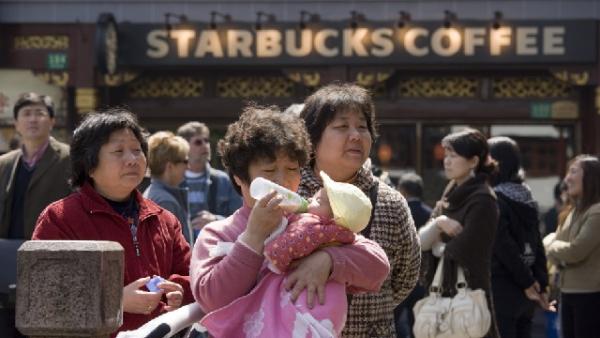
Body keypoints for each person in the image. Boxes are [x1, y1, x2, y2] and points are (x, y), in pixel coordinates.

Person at [190, 105, 390, 337]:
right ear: (239, 177)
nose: (282, 181)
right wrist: (253, 237)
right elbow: (212, 299)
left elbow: (378, 267)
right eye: (269, 170)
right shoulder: (218, 233)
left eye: (292, 169)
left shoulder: (311, 220)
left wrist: (328, 260)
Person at [32, 109, 193, 336]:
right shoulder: (60, 218)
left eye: (137, 150)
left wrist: (177, 291)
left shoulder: (164, 219)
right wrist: (114, 301)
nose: (132, 159)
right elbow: (44, 296)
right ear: (89, 166)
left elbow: (191, 276)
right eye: (118, 151)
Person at [298, 83, 421, 337]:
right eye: (342, 126)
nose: (355, 135)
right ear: (311, 138)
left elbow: (405, 277)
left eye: (362, 127)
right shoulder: (289, 195)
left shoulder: (390, 201)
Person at [418, 128, 500, 338]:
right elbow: (421, 242)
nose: (447, 161)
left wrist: (438, 244)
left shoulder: (483, 199)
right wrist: (439, 223)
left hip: (469, 292)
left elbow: (462, 249)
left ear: (473, 161)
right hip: (442, 290)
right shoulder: (450, 191)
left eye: (454, 156)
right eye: (446, 155)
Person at [487, 136, 552, 338]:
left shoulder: (494, 198)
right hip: (527, 288)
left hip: (503, 285)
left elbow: (503, 245)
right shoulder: (525, 195)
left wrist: (526, 282)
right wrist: (539, 281)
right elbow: (537, 241)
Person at [543, 155, 600, 338]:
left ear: (591, 177)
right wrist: (556, 247)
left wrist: (552, 244)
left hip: (590, 295)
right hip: (566, 292)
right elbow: (554, 252)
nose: (567, 178)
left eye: (573, 171)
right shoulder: (572, 212)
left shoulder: (596, 212)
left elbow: (575, 251)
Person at [0, 92, 71, 239]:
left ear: (52, 121)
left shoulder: (70, 158)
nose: (33, 119)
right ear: (16, 124)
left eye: (39, 113)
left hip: (52, 249)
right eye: (26, 114)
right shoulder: (4, 163)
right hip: (8, 249)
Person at [176, 122, 242, 238]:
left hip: (215, 248)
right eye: (198, 142)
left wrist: (216, 220)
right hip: (181, 250)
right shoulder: (174, 181)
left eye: (206, 141)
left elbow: (242, 218)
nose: (205, 145)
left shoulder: (224, 180)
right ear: (184, 147)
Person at [393, 173, 432, 338]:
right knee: (417, 323)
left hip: (399, 275)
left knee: (393, 323)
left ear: (402, 190)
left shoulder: (397, 212)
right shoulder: (430, 213)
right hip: (423, 276)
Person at [143, 131, 194, 245]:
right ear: (170, 166)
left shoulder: (156, 194)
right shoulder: (165, 201)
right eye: (185, 161)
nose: (188, 167)